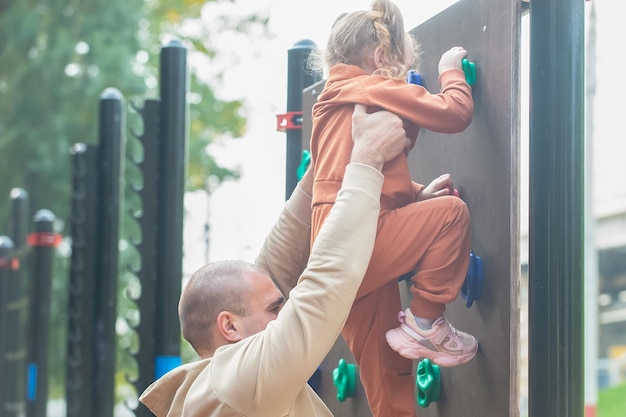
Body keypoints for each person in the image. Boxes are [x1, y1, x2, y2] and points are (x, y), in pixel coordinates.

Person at [138, 104, 410, 417]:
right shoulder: (240, 383)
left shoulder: (221, 385)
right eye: (274, 309)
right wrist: (367, 159)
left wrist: (324, 169)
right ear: (229, 325)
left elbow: (274, 267)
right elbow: (323, 289)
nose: (285, 313)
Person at [307, 1, 477, 416]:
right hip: (362, 233)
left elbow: (339, 177)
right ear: (380, 58)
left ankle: (413, 342)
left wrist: (414, 194)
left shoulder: (330, 101)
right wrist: (451, 69)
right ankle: (424, 321)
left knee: (388, 376)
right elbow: (455, 114)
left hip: (332, 248)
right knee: (451, 214)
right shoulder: (371, 86)